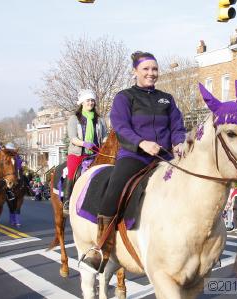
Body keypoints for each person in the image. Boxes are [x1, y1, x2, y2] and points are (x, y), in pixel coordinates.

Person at [90, 51, 186, 272]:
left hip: (164, 158)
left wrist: (179, 141)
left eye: (154, 69)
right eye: (146, 69)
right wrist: (142, 143)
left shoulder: (167, 98)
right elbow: (121, 126)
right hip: (134, 155)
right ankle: (101, 248)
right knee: (114, 190)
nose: (151, 73)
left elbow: (177, 126)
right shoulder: (124, 97)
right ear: (135, 72)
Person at [63, 89, 108, 213]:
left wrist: (106, 143)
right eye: (88, 100)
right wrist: (84, 143)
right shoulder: (74, 119)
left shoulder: (100, 120)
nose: (91, 102)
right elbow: (72, 138)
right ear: (82, 102)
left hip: (96, 154)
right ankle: (66, 201)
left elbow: (104, 137)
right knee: (71, 173)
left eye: (92, 100)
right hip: (78, 153)